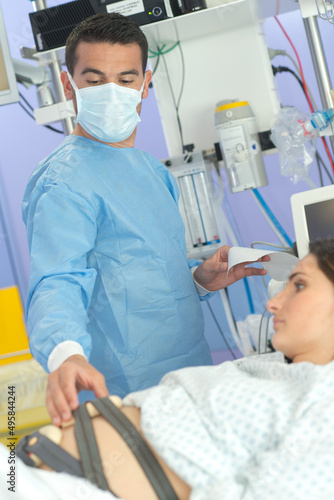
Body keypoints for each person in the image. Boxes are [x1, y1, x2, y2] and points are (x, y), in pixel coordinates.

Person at [22, 12, 268, 428]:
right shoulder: (63, 182)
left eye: (126, 79)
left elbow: (143, 270)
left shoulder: (151, 171)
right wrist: (65, 353)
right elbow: (57, 280)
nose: (112, 92)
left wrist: (198, 280)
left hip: (192, 376)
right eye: (95, 81)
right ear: (69, 86)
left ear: (145, 84)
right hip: (129, 392)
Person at [12, 238, 334, 500]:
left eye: (300, 285)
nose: (272, 303)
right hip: (37, 467)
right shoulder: (272, 368)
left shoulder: (326, 406)